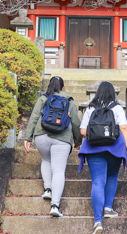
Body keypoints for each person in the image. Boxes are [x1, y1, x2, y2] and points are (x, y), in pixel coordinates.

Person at [23, 76, 82, 218]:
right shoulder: (68, 99)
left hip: (42, 135)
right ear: (62, 88)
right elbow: (75, 121)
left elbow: (34, 117)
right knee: (59, 170)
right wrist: (78, 141)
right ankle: (55, 205)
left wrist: (28, 137)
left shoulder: (43, 98)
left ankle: (47, 189)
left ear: (49, 86)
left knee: (46, 160)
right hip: (62, 138)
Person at [78, 81, 127, 234]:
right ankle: (108, 208)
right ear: (112, 94)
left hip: (94, 149)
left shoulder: (90, 108)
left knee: (97, 182)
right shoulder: (117, 108)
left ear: (98, 92)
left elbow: (82, 131)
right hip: (114, 148)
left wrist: (96, 132)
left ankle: (97, 221)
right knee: (112, 176)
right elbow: (124, 128)